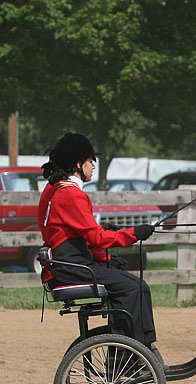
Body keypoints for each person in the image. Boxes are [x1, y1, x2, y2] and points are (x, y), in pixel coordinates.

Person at [38, 132, 158, 348]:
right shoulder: (72, 195)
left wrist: (106, 258)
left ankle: (140, 346)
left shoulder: (55, 189)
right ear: (77, 164)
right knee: (133, 288)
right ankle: (127, 354)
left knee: (136, 285)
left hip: (68, 262)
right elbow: (97, 237)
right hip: (72, 265)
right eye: (90, 161)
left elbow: (74, 234)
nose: (93, 166)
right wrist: (133, 233)